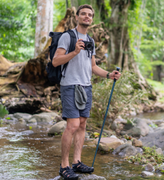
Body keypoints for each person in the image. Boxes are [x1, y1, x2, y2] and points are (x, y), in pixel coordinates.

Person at [52, 4, 121, 180]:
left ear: (92, 19)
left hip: (86, 86)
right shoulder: (68, 37)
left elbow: (92, 66)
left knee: (82, 124)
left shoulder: (90, 40)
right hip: (70, 86)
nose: (87, 17)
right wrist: (74, 51)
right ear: (77, 17)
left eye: (90, 15)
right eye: (83, 14)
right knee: (73, 125)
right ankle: (64, 166)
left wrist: (108, 75)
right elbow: (56, 61)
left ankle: (77, 162)